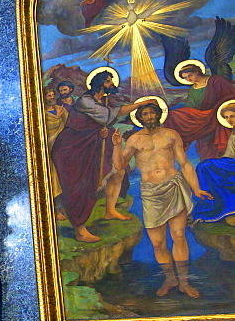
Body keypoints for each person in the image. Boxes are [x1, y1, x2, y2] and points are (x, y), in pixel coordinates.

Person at [113, 100, 212, 297]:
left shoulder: (170, 135)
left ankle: (184, 282)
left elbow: (185, 164)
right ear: (139, 118)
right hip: (150, 193)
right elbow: (119, 165)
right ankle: (169, 279)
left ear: (158, 115)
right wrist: (116, 146)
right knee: (158, 243)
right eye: (145, 114)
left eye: (152, 113)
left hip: (173, 187)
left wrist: (196, 189)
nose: (149, 117)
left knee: (178, 236)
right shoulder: (134, 139)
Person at [51, 68, 137, 242]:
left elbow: (99, 121)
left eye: (111, 81)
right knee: (79, 187)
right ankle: (80, 229)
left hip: (92, 144)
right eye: (108, 81)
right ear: (99, 84)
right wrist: (139, 105)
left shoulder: (103, 100)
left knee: (119, 172)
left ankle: (110, 210)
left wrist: (102, 132)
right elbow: (106, 116)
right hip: (72, 149)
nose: (111, 84)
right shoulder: (86, 100)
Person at [165, 61, 235, 160]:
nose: (188, 79)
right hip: (204, 122)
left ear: (197, 72)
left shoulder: (215, 81)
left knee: (224, 148)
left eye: (190, 75)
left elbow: (231, 95)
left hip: (220, 119)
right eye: (185, 78)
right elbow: (190, 108)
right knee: (206, 149)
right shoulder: (192, 90)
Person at [192, 101, 235, 223]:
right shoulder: (233, 133)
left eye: (232, 116)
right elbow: (229, 155)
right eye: (226, 117)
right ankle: (212, 201)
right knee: (206, 167)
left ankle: (211, 203)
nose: (229, 120)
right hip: (231, 163)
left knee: (205, 166)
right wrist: (221, 166)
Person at [44, 87, 68, 218]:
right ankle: (56, 210)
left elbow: (68, 126)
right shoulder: (41, 113)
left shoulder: (61, 109)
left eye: (53, 95)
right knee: (54, 178)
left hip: (61, 146)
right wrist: (57, 119)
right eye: (49, 95)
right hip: (49, 147)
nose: (52, 97)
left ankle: (65, 207)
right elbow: (46, 131)